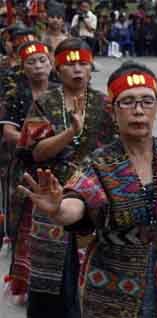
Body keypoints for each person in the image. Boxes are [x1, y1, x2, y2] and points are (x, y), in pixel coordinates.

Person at [19, 60, 157, 318]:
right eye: (127, 102)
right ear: (113, 111)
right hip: (110, 285)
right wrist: (58, 208)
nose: (138, 110)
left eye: (146, 101)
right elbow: (79, 203)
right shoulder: (100, 162)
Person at [17, 37, 117, 318]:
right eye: (70, 65)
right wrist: (70, 133)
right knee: (51, 282)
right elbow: (33, 152)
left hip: (96, 198)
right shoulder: (45, 103)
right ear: (57, 70)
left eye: (83, 64)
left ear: (91, 68)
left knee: (95, 277)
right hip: (51, 196)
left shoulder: (107, 105)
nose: (77, 70)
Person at [0, 40, 57, 304]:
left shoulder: (61, 92)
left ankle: (58, 282)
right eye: (31, 62)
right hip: (25, 168)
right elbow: (8, 132)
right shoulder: (17, 95)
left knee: (57, 222)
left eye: (42, 61)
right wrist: (34, 140)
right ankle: (24, 283)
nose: (37, 67)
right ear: (23, 67)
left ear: (51, 63)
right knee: (26, 225)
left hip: (58, 167)